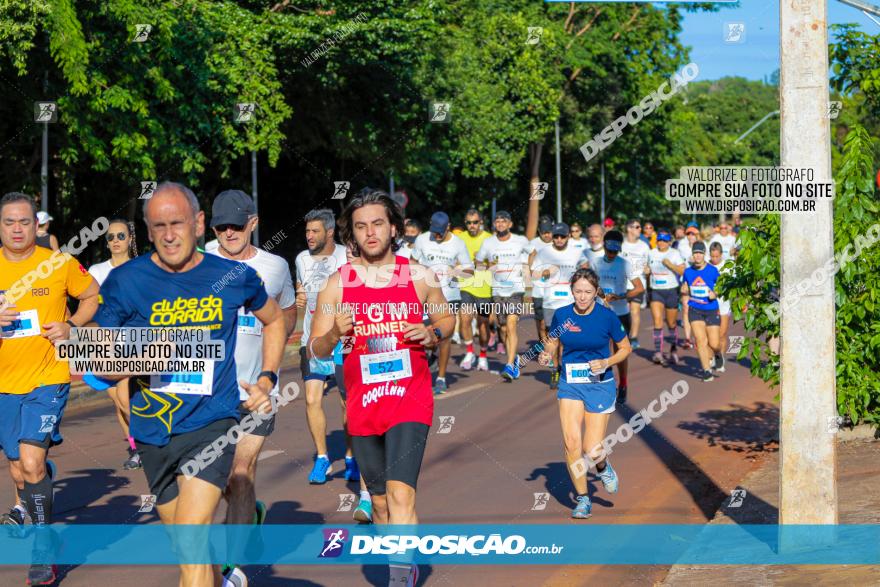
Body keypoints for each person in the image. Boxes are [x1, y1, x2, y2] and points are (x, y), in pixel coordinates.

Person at [91, 182, 286, 587]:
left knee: (193, 542)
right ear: (147, 231)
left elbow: (275, 319)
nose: (168, 234)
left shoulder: (233, 275)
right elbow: (99, 366)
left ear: (198, 224)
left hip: (212, 424)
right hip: (153, 431)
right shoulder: (125, 281)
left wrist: (267, 376)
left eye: (177, 223)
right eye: (158, 225)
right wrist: (145, 357)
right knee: (189, 554)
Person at [309, 188, 455, 587]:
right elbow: (315, 346)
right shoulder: (336, 285)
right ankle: (399, 561)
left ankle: (397, 579)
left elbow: (446, 319)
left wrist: (432, 332)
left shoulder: (420, 276)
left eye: (377, 224)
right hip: (363, 405)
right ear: (351, 236)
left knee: (401, 493)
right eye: (360, 227)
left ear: (394, 228)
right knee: (379, 503)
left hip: (410, 399)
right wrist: (333, 334)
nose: (370, 233)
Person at [0, 192, 99, 586]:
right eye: (10, 222)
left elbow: (92, 294)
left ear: (36, 226)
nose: (18, 229)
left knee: (31, 462)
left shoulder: (57, 264)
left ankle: (44, 546)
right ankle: (39, 479)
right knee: (20, 470)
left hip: (49, 377)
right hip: (5, 383)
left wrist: (72, 324)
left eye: (25, 221)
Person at [206, 190, 297, 557]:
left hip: (257, 391)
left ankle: (235, 566)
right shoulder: (197, 263)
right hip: (208, 395)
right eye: (221, 227)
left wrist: (273, 339)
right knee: (221, 482)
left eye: (236, 226)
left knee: (239, 472)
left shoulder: (275, 266)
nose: (229, 233)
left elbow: (288, 311)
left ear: (253, 223)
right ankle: (252, 514)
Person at [538, 268, 631, 519]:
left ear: (595, 292)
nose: (582, 297)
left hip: (600, 384)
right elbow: (553, 341)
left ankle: (602, 465)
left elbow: (625, 348)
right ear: (571, 291)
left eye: (588, 292)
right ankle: (583, 499)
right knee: (571, 442)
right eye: (578, 291)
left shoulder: (607, 317)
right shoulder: (562, 315)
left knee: (592, 449)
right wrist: (547, 353)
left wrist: (607, 362)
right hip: (571, 383)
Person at [294, 209, 351, 485]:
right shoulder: (301, 259)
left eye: (314, 231)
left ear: (329, 232)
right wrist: (299, 295)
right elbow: (301, 287)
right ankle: (322, 458)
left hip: (343, 341)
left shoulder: (346, 255)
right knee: (312, 399)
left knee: (346, 402)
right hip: (312, 340)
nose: (309, 236)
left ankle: (351, 457)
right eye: (307, 231)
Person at [88, 218, 141, 470]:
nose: (116, 241)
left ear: (130, 239)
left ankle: (144, 442)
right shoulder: (97, 271)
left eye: (121, 236)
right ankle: (135, 448)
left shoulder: (142, 268)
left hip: (132, 342)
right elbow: (89, 304)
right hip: (102, 344)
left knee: (125, 398)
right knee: (117, 403)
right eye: (111, 238)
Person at [411, 211, 473, 394]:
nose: (436, 235)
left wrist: (456, 272)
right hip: (425, 295)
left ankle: (441, 377)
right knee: (422, 335)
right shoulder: (422, 239)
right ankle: (431, 354)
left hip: (449, 296)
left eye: (440, 232)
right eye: (434, 231)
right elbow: (412, 262)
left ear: (448, 227)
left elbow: (470, 271)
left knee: (444, 337)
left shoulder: (458, 244)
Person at [585, 230, 643, 403]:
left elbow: (639, 288)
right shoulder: (595, 263)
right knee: (599, 349)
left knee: (620, 352)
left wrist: (621, 296)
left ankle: (623, 384)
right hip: (600, 313)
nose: (611, 254)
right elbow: (590, 284)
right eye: (609, 250)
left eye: (615, 251)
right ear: (604, 246)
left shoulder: (625, 264)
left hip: (620, 313)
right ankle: (601, 384)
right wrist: (601, 296)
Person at [475, 211, 531, 381]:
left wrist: (528, 269)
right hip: (498, 290)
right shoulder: (489, 243)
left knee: (512, 324)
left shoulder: (520, 241)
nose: (500, 224)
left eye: (503, 221)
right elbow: (477, 261)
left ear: (510, 224)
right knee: (504, 328)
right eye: (497, 222)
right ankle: (513, 359)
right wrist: (486, 266)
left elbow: (533, 252)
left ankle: (509, 365)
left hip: (516, 289)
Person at [533, 223, 584, 390]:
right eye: (556, 236)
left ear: (568, 236)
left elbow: (587, 268)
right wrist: (545, 273)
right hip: (550, 302)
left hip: (571, 302)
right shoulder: (544, 252)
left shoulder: (577, 252)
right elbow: (534, 272)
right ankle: (555, 370)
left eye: (563, 236)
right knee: (552, 338)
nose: (559, 239)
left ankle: (567, 369)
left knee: (568, 339)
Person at [681, 241, 722, 382]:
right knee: (700, 340)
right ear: (692, 254)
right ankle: (707, 371)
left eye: (700, 253)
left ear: (704, 254)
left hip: (711, 309)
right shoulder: (688, 272)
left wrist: (715, 293)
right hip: (695, 309)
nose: (697, 256)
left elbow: (722, 286)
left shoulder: (712, 270)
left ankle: (717, 354)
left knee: (715, 343)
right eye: (695, 253)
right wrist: (684, 289)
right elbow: (685, 286)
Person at [457, 209, 492, 372]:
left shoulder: (489, 239)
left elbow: (496, 266)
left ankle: (483, 355)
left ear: (481, 222)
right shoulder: (459, 239)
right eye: (469, 222)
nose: (472, 225)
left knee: (483, 325)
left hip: (484, 288)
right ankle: (470, 352)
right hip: (465, 286)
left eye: (475, 222)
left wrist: (481, 262)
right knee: (464, 319)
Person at [646, 230, 686, 366]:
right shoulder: (651, 253)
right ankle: (658, 353)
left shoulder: (674, 254)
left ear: (669, 241)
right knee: (657, 321)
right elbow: (645, 268)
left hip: (671, 290)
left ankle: (673, 350)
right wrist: (646, 271)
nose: (661, 243)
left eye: (664, 240)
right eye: (659, 240)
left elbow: (683, 271)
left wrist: (671, 265)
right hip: (655, 290)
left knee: (671, 323)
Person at [620, 219, 650, 349]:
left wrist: (648, 270)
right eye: (637, 227)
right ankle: (624, 336)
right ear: (629, 229)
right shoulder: (622, 245)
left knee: (635, 312)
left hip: (638, 284)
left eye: (640, 227)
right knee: (623, 312)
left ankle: (633, 337)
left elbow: (648, 265)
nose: (640, 229)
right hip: (622, 284)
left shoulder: (644, 246)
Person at [527, 217, 554, 345]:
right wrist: (532, 256)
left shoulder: (559, 242)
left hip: (555, 290)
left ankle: (552, 346)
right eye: (544, 232)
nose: (547, 235)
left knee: (553, 321)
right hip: (539, 291)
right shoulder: (533, 244)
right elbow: (529, 268)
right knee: (541, 322)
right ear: (539, 232)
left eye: (549, 232)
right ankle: (543, 345)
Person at [676, 223, 701, 349]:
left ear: (697, 235)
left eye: (693, 234)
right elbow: (685, 261)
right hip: (686, 280)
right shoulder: (682, 246)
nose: (691, 236)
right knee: (686, 309)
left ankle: (698, 337)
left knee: (698, 309)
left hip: (700, 281)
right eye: (688, 234)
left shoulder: (703, 246)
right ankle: (687, 338)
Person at [709, 242, 732, 372]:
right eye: (712, 256)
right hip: (709, 304)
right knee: (711, 336)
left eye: (717, 256)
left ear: (721, 255)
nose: (715, 259)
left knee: (722, 334)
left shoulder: (728, 266)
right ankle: (712, 358)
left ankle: (720, 359)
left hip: (724, 304)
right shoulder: (706, 265)